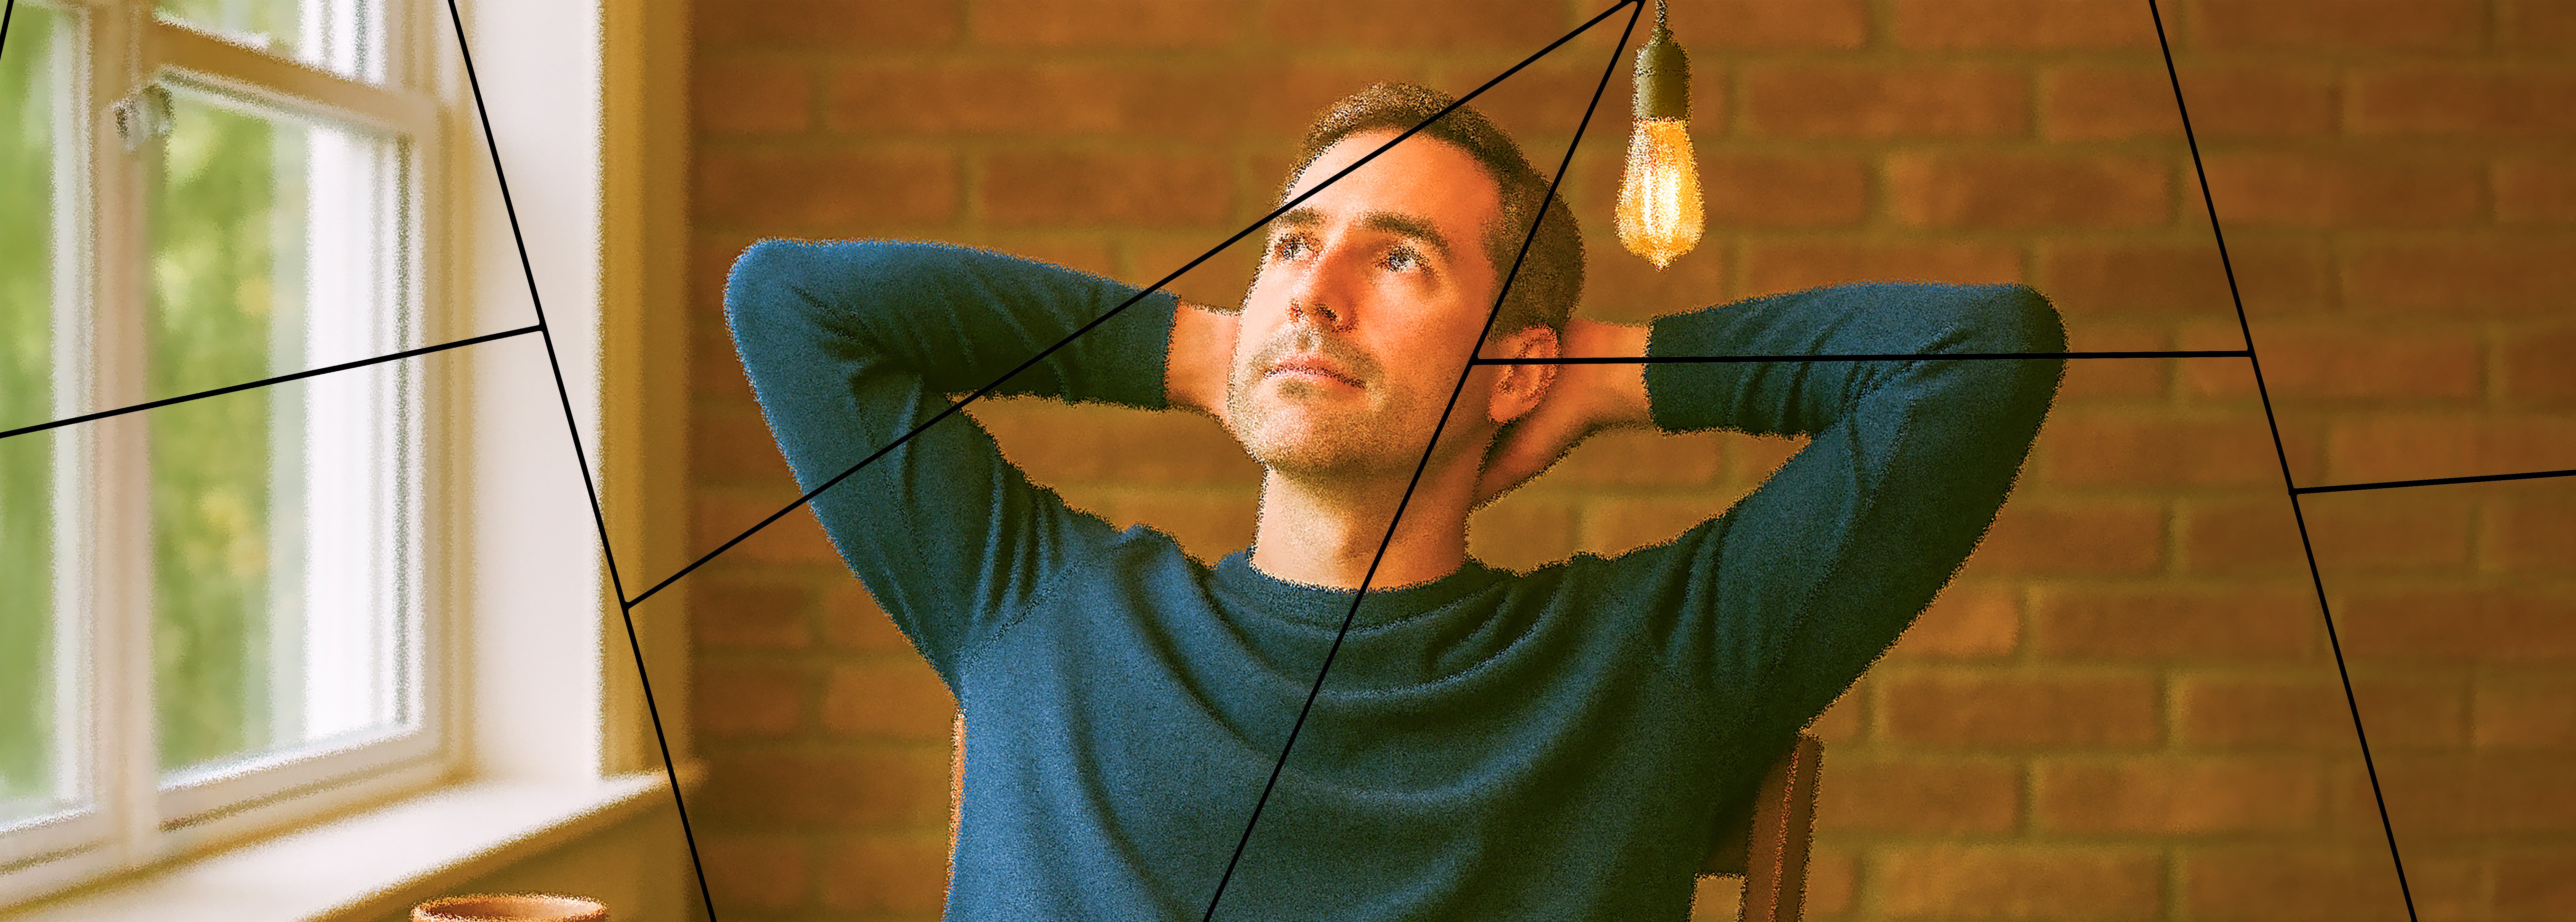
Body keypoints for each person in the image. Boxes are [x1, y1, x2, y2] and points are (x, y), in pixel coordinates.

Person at [722, 83, 2064, 921]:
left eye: (1400, 258)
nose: (1315, 290)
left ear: (1514, 366)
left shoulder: (1649, 661)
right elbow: (792, 301)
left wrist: (1602, 370)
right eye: (1293, 245)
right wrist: (1213, 354)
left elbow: (1979, 356)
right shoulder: (1034, 606)